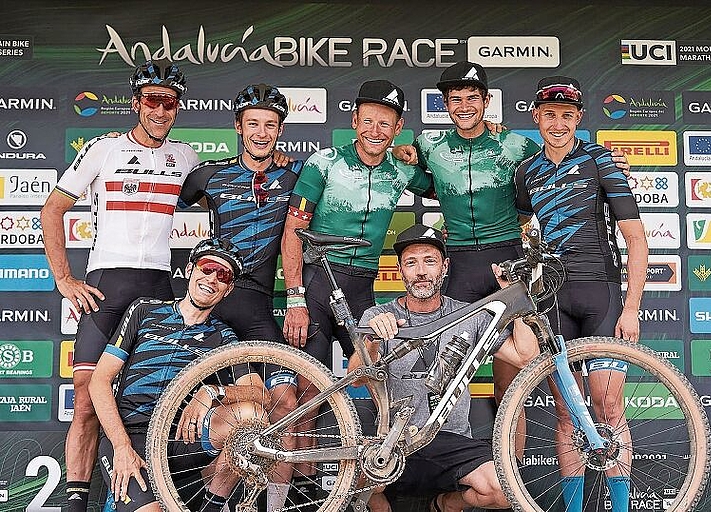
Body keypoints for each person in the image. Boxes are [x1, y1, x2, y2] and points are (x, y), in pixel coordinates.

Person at [392, 61, 631, 402]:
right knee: (444, 383)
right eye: (456, 99)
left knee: (510, 388)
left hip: (507, 259)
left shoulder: (517, 146)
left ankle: (507, 458)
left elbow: (560, 159)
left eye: (472, 98)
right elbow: (424, 178)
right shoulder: (429, 145)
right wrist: (402, 154)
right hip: (459, 264)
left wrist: (611, 161)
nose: (464, 106)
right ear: (444, 104)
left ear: (486, 101)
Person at [40, 58, 199, 512]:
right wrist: (64, 279)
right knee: (88, 398)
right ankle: (75, 503)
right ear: (136, 103)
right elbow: (52, 210)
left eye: (170, 102)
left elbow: (228, 183)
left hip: (158, 288)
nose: (161, 110)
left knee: (159, 398)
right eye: (152, 100)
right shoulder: (102, 150)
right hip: (106, 284)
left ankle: (152, 493)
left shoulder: (184, 157)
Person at [280, 79, 432, 497]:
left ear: (398, 126)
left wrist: (417, 153)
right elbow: (294, 229)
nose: (375, 131)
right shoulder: (323, 162)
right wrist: (295, 298)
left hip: (363, 288)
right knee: (307, 395)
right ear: (354, 121)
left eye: (385, 124)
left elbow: (441, 183)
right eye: (368, 121)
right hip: (317, 283)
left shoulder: (401, 170)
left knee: (372, 387)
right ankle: (296, 496)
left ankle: (361, 494)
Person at [514, 76, 648, 512]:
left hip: (601, 293)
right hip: (553, 301)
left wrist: (631, 308)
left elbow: (636, 239)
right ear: (536, 117)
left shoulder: (602, 161)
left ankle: (621, 507)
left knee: (608, 405)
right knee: (568, 411)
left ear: (578, 118)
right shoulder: (525, 173)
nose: (557, 123)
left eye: (566, 115)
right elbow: (523, 232)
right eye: (549, 114)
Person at [349, 224, 537, 512]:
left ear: (445, 267)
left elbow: (525, 357)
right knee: (357, 478)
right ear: (400, 271)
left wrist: (515, 297)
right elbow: (355, 378)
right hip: (393, 440)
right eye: (411, 263)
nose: (421, 271)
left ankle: (447, 504)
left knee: (505, 489)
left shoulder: (470, 315)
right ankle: (380, 505)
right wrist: (372, 339)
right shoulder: (378, 315)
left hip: (451, 441)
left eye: (429, 261)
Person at [178, 83, 301, 512]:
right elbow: (161, 196)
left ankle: (274, 505)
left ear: (280, 130)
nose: (262, 133)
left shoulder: (294, 175)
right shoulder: (208, 175)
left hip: (260, 305)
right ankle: (209, 498)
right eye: (253, 124)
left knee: (286, 402)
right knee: (237, 403)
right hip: (217, 301)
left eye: (270, 125)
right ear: (237, 126)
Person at [89, 238, 269, 512]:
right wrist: (121, 447)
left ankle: (212, 502)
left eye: (223, 275)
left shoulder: (223, 337)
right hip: (133, 435)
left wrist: (212, 392)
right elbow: (99, 381)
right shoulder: (144, 310)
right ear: (190, 270)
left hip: (183, 437)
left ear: (228, 289)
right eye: (207, 267)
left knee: (253, 417)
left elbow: (261, 395)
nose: (212, 278)